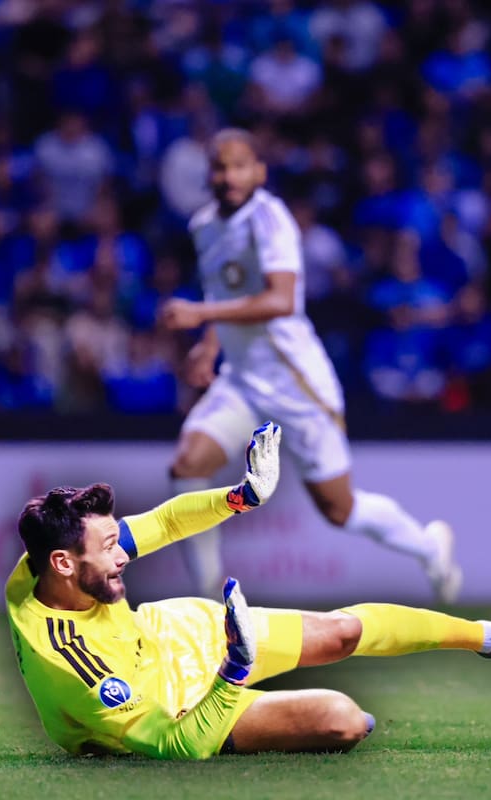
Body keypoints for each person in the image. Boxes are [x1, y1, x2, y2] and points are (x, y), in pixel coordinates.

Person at [7, 423, 491, 760]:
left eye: (117, 542)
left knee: (341, 633)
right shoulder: (70, 661)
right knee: (345, 719)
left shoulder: (51, 563)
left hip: (166, 633)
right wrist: (236, 669)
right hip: (165, 708)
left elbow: (163, 522)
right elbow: (177, 744)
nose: (123, 554)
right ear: (63, 563)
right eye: (109, 548)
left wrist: (242, 496)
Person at [160, 129, 462, 604]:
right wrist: (211, 344)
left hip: (295, 382)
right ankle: (209, 604)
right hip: (241, 379)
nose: (228, 176)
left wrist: (201, 316)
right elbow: (226, 291)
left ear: (259, 171)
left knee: (339, 509)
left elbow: (280, 299)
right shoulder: (204, 225)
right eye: (220, 167)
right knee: (187, 465)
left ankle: (428, 547)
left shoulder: (271, 219)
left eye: (240, 165)